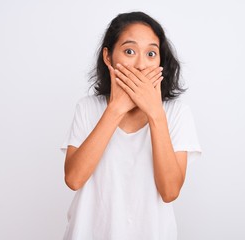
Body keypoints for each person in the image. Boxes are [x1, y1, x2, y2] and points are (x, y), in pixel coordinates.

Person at [60, 11, 201, 240]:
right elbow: (73, 179)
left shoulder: (176, 113)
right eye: (129, 51)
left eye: (151, 54)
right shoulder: (87, 108)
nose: (140, 64)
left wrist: (155, 114)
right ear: (108, 57)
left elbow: (170, 191)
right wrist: (116, 109)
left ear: (160, 61)